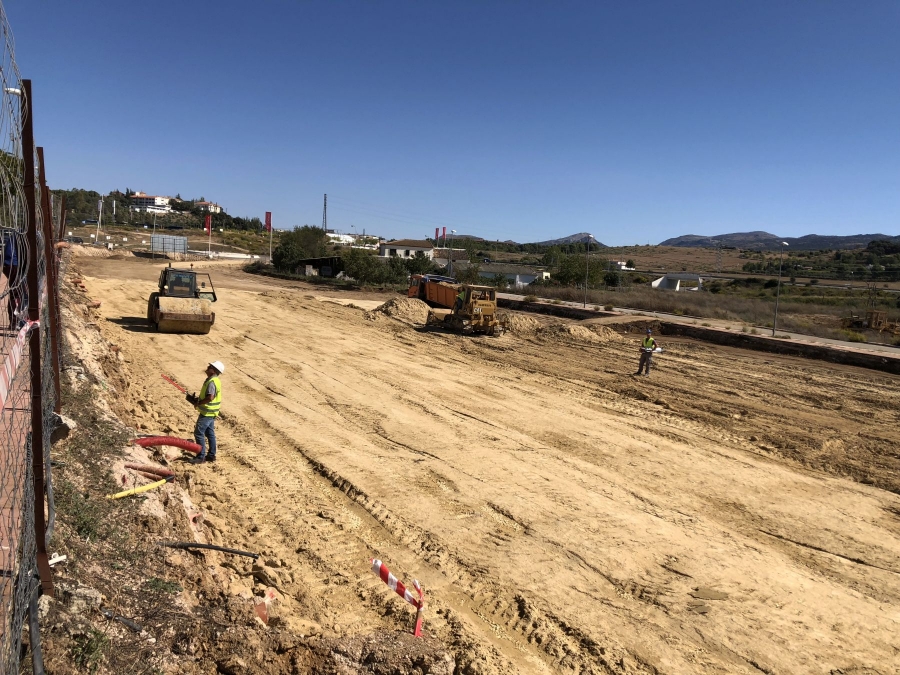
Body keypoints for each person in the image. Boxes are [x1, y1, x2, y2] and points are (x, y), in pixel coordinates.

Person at [191, 360, 224, 464]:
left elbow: (210, 397)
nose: (207, 367)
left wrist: (199, 403)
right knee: (210, 433)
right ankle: (211, 455)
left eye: (210, 366)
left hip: (207, 413)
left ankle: (201, 457)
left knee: (198, 433)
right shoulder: (214, 380)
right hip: (212, 412)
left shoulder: (212, 382)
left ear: (213, 371)